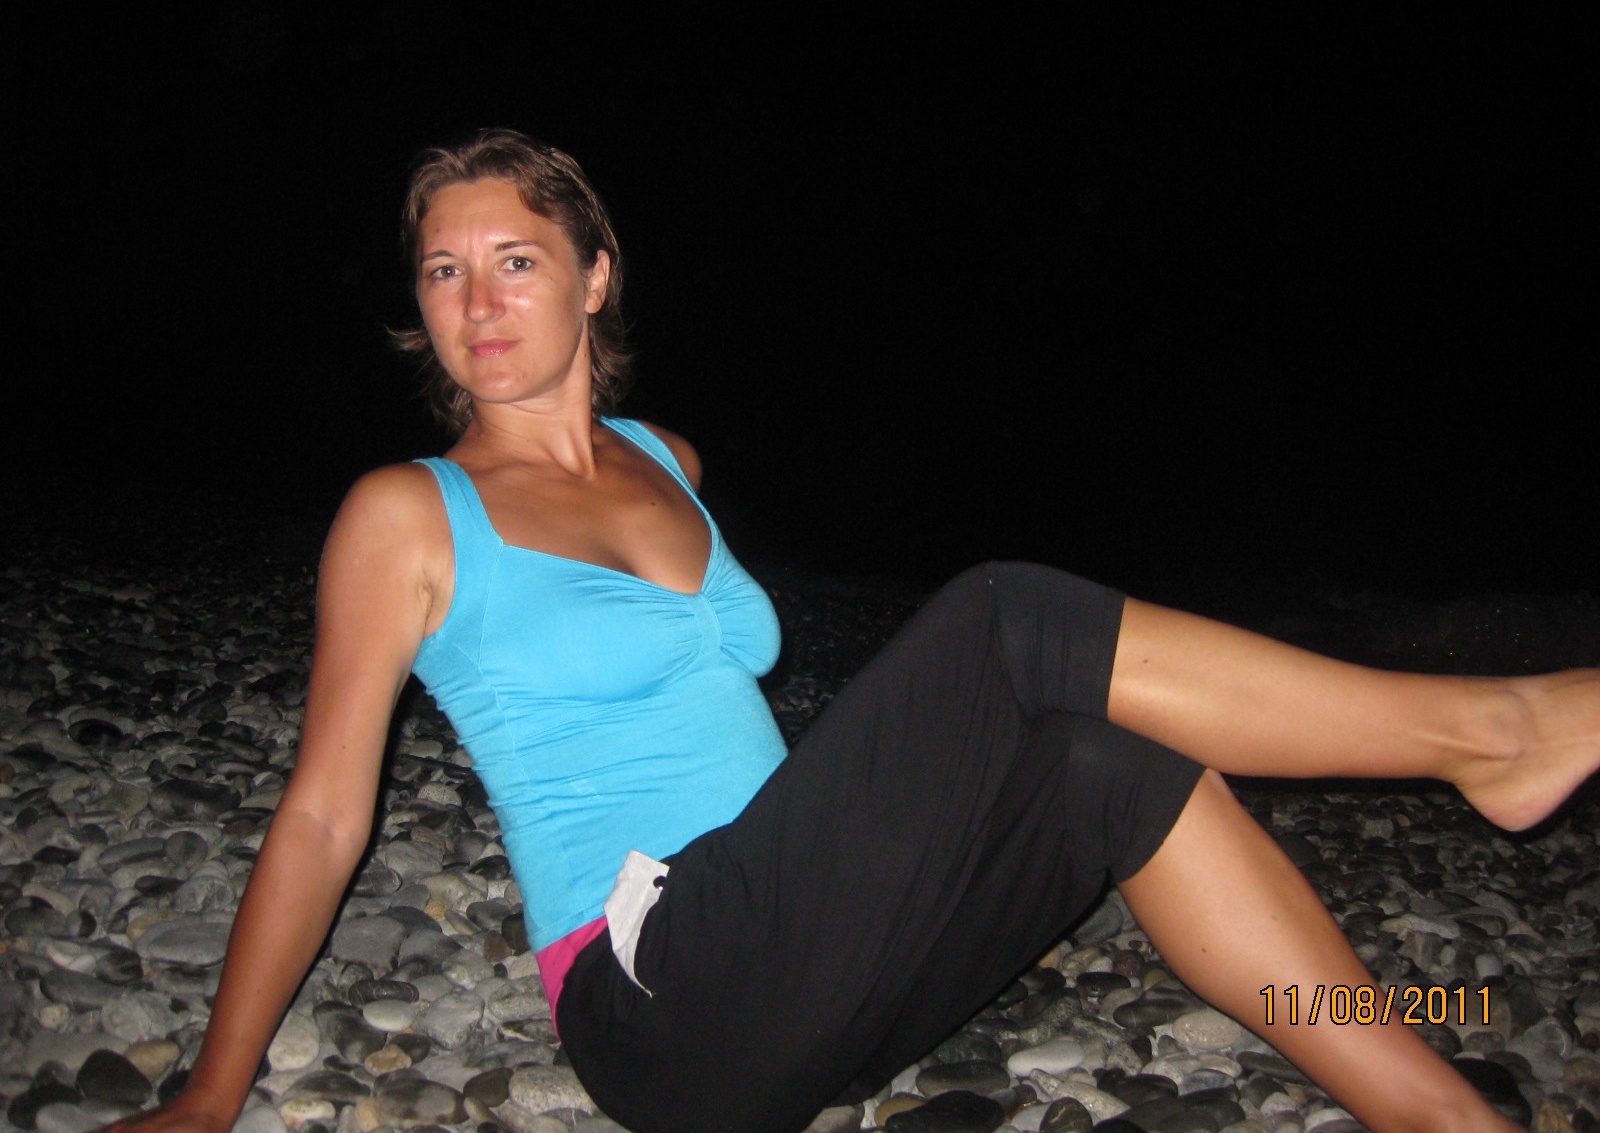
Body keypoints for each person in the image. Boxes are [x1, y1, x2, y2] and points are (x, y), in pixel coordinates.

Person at [104, 129, 1600, 1133]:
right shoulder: (407, 515)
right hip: (665, 1004)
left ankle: (1433, 1106)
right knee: (1005, 616)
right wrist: (213, 1095)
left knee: (1106, 767)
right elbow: (325, 813)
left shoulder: (670, 462)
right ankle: (1492, 731)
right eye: (444, 269)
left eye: (514, 259)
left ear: (593, 275)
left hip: (824, 975)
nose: (476, 299)